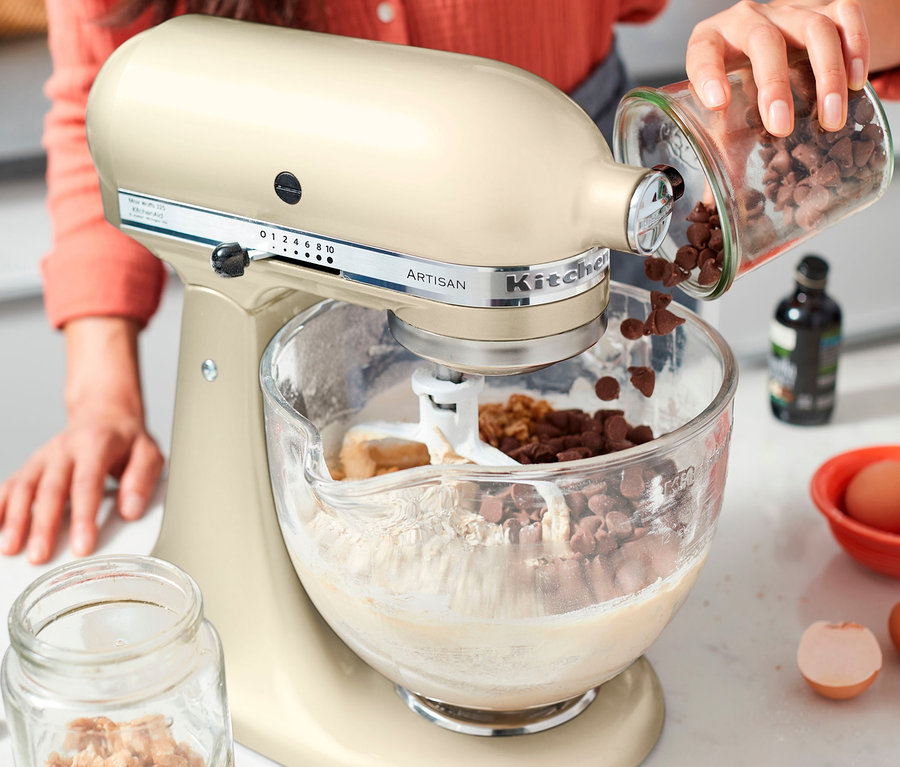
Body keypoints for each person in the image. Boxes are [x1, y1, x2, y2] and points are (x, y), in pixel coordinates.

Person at [1, 0, 898, 565]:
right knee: (372, 525)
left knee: (599, 528)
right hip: (318, 251)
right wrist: (102, 399)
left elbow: (841, 21)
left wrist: (832, 25)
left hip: (584, 246)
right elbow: (111, 101)